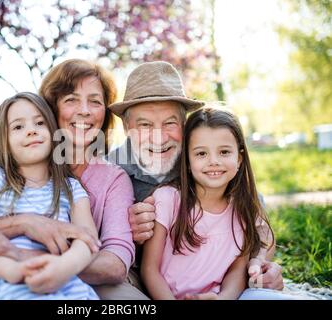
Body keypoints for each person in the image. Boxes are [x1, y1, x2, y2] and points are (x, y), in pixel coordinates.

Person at [0, 59, 141, 299]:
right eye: (71, 99)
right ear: (51, 109)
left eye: (95, 101)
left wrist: (27, 260)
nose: (85, 110)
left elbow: (111, 262)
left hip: (66, 287)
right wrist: (24, 223)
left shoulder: (100, 181)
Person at [106, 61, 284, 295]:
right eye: (145, 125)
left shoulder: (203, 160)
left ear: (184, 124)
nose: (159, 138)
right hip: (136, 273)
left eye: (170, 123)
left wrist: (260, 262)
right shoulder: (110, 170)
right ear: (127, 127)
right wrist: (122, 230)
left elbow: (255, 221)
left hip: (206, 282)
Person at [0, 92, 99, 299]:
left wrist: (64, 267)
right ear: (2, 141)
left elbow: (88, 240)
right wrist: (13, 271)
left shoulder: (71, 189)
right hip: (1, 282)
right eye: (18, 127)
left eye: (39, 123)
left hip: (61, 283)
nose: (31, 131)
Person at [141, 107, 273, 299]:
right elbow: (149, 269)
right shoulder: (167, 200)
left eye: (224, 152)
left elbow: (236, 271)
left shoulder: (243, 208)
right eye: (201, 154)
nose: (214, 161)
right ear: (187, 160)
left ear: (239, 159)